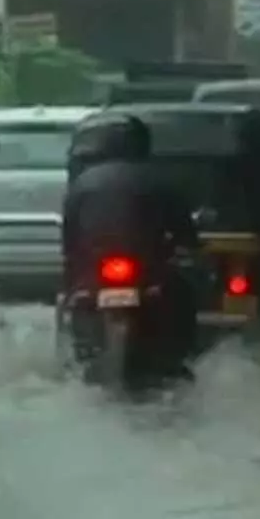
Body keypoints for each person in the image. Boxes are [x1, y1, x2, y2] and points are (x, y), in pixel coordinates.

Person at [61, 115, 200, 363]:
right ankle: (181, 358)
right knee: (182, 295)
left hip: (98, 269)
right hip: (145, 268)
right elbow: (183, 229)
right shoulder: (160, 180)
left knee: (72, 299)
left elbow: (69, 236)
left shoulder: (82, 183)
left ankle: (79, 352)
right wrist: (189, 247)